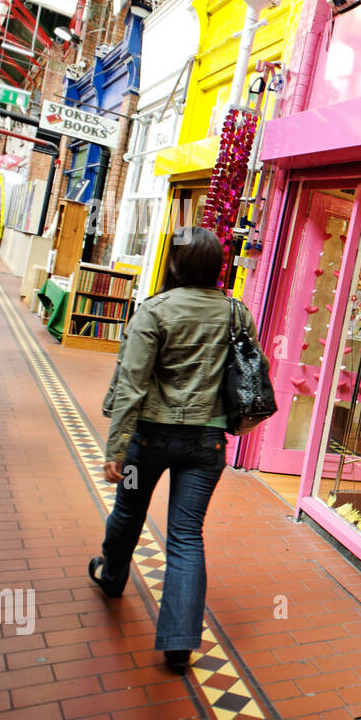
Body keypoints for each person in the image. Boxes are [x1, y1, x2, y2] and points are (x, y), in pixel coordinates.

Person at [91, 226, 268, 672]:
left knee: (128, 511)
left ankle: (112, 578)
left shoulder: (154, 311)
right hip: (206, 443)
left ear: (174, 263)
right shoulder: (236, 313)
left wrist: (115, 448)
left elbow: (132, 385)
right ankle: (178, 642)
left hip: (147, 439)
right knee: (186, 536)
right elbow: (254, 369)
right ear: (216, 267)